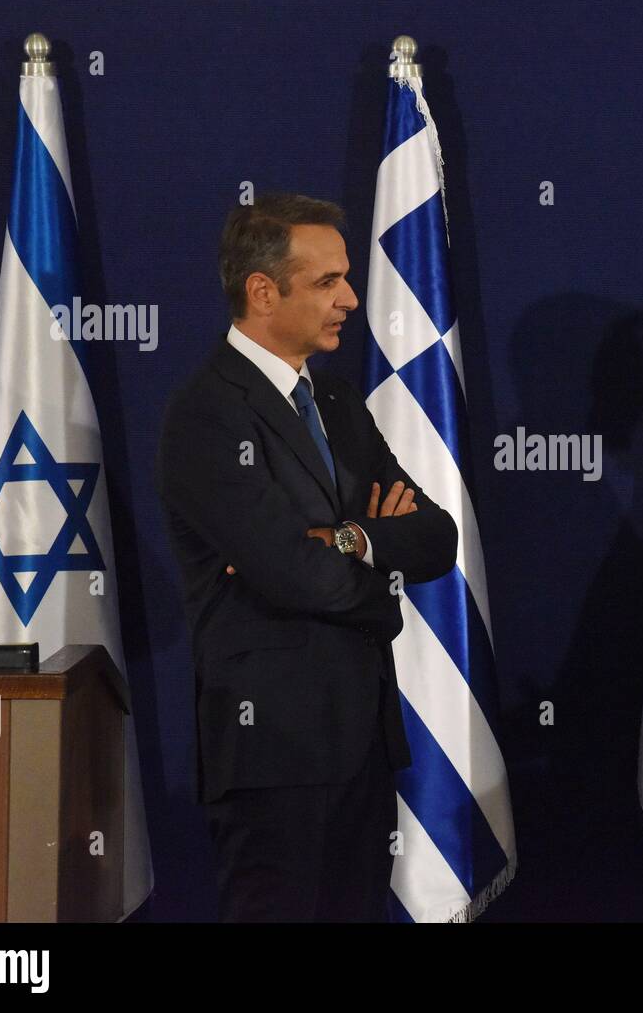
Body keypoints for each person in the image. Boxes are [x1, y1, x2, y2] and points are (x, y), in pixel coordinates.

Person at [156, 192, 457, 921]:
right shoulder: (207, 414)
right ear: (263, 292)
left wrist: (350, 539)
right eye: (328, 282)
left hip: (363, 744)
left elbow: (437, 538)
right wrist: (377, 578)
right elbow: (292, 574)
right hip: (274, 756)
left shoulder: (340, 403)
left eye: (346, 278)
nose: (351, 298)